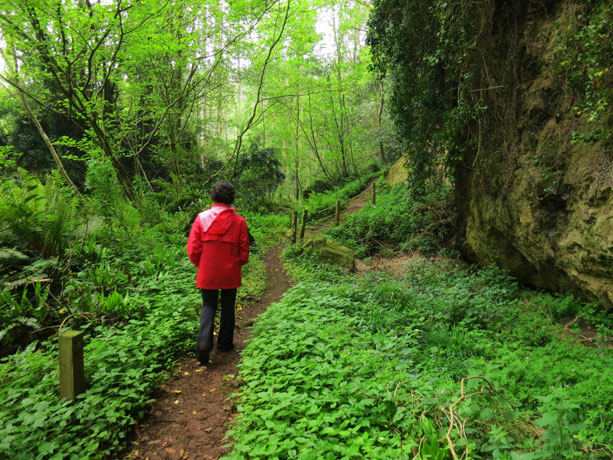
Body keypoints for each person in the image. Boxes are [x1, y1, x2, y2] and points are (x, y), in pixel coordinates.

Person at [187, 180, 249, 365]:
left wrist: (202, 265)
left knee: (208, 305)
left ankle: (204, 342)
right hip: (230, 272)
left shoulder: (201, 218)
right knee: (228, 306)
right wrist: (238, 263)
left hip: (208, 271)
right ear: (231, 198)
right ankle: (225, 344)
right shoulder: (239, 221)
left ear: (213, 196)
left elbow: (193, 249)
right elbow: (244, 251)